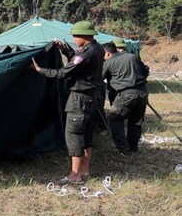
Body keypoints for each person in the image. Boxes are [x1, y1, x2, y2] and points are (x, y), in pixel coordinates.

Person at [30, 21, 104, 185]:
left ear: (83, 37)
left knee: (74, 134)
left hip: (80, 99)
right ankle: (85, 170)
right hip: (92, 98)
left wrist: (40, 70)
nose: (74, 39)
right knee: (86, 133)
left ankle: (75, 174)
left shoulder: (85, 54)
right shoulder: (96, 48)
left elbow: (63, 72)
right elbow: (77, 63)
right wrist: (66, 50)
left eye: (75, 37)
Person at [102, 42, 149, 154]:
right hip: (142, 92)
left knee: (115, 118)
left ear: (107, 53)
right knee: (135, 122)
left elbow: (98, 78)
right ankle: (133, 148)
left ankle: (123, 149)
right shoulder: (132, 57)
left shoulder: (109, 63)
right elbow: (145, 70)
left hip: (126, 94)